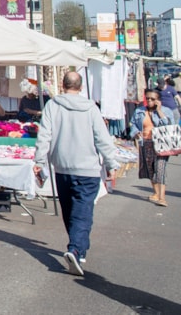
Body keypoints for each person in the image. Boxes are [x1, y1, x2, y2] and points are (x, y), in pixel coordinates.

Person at [34, 71, 121, 277]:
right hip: (87, 169)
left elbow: (44, 135)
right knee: (82, 211)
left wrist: (39, 160)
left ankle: (78, 248)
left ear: (62, 85)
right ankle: (75, 249)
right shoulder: (91, 108)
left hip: (63, 167)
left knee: (70, 210)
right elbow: (102, 138)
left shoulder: (52, 106)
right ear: (80, 87)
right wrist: (112, 164)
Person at [131, 89, 173, 207]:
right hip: (146, 143)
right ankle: (156, 192)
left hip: (161, 144)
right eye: (147, 98)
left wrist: (159, 111)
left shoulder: (166, 111)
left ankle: (162, 198)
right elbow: (133, 124)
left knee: (160, 168)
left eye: (153, 99)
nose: (149, 101)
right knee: (150, 170)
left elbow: (169, 126)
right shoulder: (139, 111)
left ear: (158, 100)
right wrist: (135, 132)